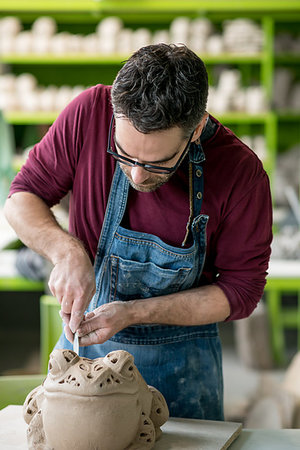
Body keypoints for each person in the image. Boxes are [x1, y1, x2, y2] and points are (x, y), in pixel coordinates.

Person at [4, 44, 272, 420]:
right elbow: (21, 199)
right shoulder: (89, 114)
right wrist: (66, 251)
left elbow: (242, 291)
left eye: (157, 162)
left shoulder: (241, 173)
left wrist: (134, 312)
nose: (137, 175)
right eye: (123, 155)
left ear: (195, 129)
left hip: (182, 371)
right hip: (86, 353)